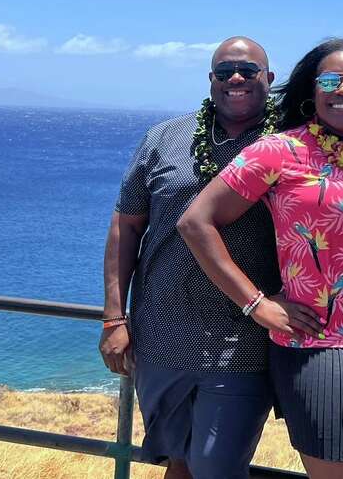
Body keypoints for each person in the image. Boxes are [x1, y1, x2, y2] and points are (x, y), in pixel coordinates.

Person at [177, 38, 343, 479]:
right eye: (330, 81)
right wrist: (256, 304)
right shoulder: (278, 151)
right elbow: (195, 223)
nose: (342, 90)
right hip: (318, 347)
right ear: (312, 91)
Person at [98, 36, 282, 479]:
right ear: (210, 80)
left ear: (269, 79)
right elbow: (126, 227)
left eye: (247, 70)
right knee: (177, 460)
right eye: (224, 71)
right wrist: (113, 319)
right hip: (160, 335)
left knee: (217, 466)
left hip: (243, 339)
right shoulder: (164, 138)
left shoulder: (290, 143)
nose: (235, 78)